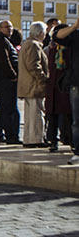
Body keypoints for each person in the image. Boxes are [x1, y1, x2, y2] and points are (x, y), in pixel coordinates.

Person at [0, 20, 21, 144]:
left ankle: (0, 133)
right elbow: (5, 61)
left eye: (11, 27)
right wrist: (13, 76)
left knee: (3, 108)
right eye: (7, 27)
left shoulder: (3, 41)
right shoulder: (2, 41)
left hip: (2, 80)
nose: (10, 29)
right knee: (9, 108)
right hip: (5, 80)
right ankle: (10, 135)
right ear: (0, 28)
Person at [17, 22, 48, 148]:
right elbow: (33, 65)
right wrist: (43, 79)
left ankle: (29, 139)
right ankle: (36, 139)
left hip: (28, 85)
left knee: (30, 114)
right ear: (41, 33)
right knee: (36, 114)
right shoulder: (34, 45)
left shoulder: (26, 44)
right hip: (34, 85)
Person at [54, 16, 79, 164]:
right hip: (77, 82)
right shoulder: (76, 35)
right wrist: (75, 26)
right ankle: (78, 151)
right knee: (77, 121)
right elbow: (57, 36)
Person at [45, 23, 72, 153]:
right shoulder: (52, 49)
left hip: (63, 85)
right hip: (53, 86)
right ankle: (53, 140)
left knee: (67, 115)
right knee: (52, 115)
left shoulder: (68, 48)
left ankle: (69, 139)